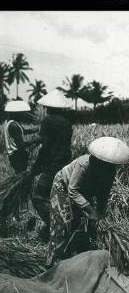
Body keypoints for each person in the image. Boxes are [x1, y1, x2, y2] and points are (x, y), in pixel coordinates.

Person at [47, 136, 129, 266]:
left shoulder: (110, 171)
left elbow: (103, 194)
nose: (109, 167)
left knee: (79, 224)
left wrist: (99, 214)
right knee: (62, 224)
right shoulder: (84, 164)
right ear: (98, 160)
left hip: (84, 192)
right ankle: (52, 264)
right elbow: (73, 190)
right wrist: (91, 211)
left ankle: (74, 259)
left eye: (112, 165)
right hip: (63, 187)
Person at [31, 90, 73, 238]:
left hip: (52, 166)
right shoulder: (67, 123)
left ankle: (56, 225)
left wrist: (36, 168)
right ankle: (58, 225)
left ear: (48, 107)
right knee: (57, 196)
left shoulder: (48, 121)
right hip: (66, 165)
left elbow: (46, 147)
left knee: (38, 197)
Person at [4, 100, 40, 174]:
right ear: (17, 113)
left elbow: (26, 131)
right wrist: (36, 139)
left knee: (19, 175)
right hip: (17, 155)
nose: (25, 114)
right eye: (22, 113)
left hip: (14, 155)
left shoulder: (12, 122)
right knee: (21, 175)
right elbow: (21, 145)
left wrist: (38, 128)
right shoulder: (13, 126)